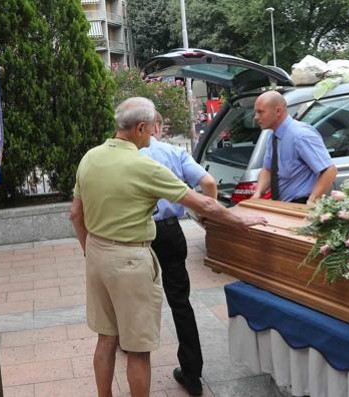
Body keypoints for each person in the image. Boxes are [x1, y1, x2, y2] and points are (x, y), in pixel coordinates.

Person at [70, 97, 266, 397]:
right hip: (130, 260)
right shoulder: (143, 165)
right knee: (138, 349)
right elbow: (202, 202)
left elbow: (75, 214)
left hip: (97, 254)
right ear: (139, 128)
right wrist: (239, 221)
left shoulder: (90, 157)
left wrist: (89, 250)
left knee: (106, 338)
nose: (152, 136)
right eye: (150, 130)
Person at [138, 113, 215, 396]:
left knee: (137, 300)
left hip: (139, 236)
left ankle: (133, 356)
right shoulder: (172, 152)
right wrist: (208, 218)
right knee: (180, 302)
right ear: (158, 126)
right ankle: (192, 374)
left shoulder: (127, 156)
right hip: (171, 233)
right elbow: (208, 183)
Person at [252, 91, 337, 204]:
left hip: (301, 204)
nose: (256, 117)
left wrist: (311, 202)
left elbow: (329, 170)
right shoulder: (273, 136)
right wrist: (258, 193)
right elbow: (268, 169)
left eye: (261, 112)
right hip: (283, 205)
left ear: (278, 111)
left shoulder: (300, 135)